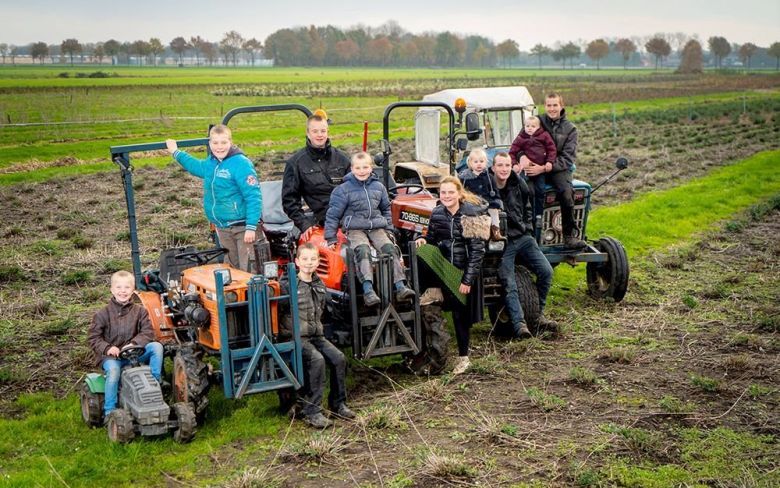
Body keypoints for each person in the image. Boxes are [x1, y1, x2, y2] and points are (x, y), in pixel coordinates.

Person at [165, 125, 262, 272]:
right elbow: (194, 165)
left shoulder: (241, 163)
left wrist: (251, 227)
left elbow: (253, 196)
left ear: (231, 142)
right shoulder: (211, 163)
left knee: (249, 269)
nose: (219, 147)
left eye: (223, 142)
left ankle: (256, 295)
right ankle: (236, 296)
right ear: (209, 144)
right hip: (223, 227)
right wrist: (175, 152)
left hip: (242, 227)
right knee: (231, 270)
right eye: (215, 143)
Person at [324, 152, 416, 306]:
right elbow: (333, 215)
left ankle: (400, 287)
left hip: (376, 226)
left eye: (365, 167)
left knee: (390, 248)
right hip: (355, 228)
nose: (362, 171)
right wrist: (330, 237)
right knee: (363, 250)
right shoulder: (343, 190)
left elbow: (386, 209)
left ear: (371, 168)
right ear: (352, 169)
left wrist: (389, 229)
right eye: (358, 168)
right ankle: (368, 290)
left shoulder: (378, 187)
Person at [279, 243, 355, 429]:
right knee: (317, 360)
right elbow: (278, 312)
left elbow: (324, 309)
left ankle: (338, 404)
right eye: (304, 259)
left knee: (338, 358)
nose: (309, 263)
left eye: (313, 259)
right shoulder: (287, 285)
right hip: (296, 337)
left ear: (318, 262)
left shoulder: (319, 283)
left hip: (316, 335)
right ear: (297, 261)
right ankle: (312, 411)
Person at [415, 177, 486, 375]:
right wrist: (421, 238)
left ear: (459, 193)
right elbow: (431, 238)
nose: (446, 196)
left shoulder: (473, 213)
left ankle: (464, 358)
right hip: (445, 268)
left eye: (450, 192)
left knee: (459, 313)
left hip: (464, 270)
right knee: (421, 251)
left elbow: (478, 251)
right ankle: (434, 289)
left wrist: (467, 280)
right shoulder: (437, 213)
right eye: (443, 193)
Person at [492, 153, 558, 337]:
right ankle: (520, 324)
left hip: (522, 237)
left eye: (507, 165)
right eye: (500, 165)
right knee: (509, 282)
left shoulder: (518, 183)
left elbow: (528, 206)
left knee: (546, 271)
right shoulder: (488, 187)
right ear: (493, 168)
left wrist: (527, 228)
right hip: (503, 243)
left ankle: (537, 316)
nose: (504, 169)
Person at [87, 270, 164, 420]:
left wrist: (134, 343)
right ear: (112, 290)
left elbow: (148, 332)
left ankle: (154, 384)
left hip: (134, 352)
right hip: (111, 357)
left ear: (133, 290)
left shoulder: (140, 312)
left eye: (127, 288)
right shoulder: (102, 314)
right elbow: (93, 338)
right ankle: (110, 410)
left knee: (157, 347)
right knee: (114, 371)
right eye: (119, 288)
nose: (123, 291)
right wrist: (108, 348)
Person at [514, 93, 586, 249]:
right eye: (549, 105)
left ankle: (568, 236)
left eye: (555, 105)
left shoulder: (570, 129)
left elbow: (568, 158)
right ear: (544, 106)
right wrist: (522, 157)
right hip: (534, 163)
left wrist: (546, 167)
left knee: (567, 193)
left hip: (557, 168)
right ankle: (526, 234)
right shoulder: (537, 121)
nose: (552, 109)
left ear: (561, 106)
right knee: (525, 191)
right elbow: (520, 143)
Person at [282, 112, 351, 240]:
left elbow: (356, 188)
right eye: (315, 131)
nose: (320, 135)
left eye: (323, 131)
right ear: (308, 133)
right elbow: (289, 201)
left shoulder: (342, 159)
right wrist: (304, 224)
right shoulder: (296, 163)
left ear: (327, 132)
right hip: (320, 220)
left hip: (348, 218)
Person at [508, 115, 557, 220]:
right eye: (527, 126)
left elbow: (551, 149)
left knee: (540, 190)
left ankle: (539, 214)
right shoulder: (521, 137)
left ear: (539, 127)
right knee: (522, 188)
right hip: (525, 170)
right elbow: (512, 152)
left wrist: (549, 162)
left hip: (540, 170)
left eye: (533, 126)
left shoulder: (544, 135)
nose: (529, 128)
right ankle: (524, 212)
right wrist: (515, 164)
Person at [458, 148, 504, 241]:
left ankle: (495, 230)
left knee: (494, 210)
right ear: (470, 163)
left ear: (486, 162)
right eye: (476, 162)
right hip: (471, 202)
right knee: (466, 213)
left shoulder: (489, 177)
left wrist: (497, 201)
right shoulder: (465, 177)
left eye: (481, 161)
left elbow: (495, 190)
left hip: (487, 201)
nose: (479, 164)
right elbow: (461, 191)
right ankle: (464, 232)